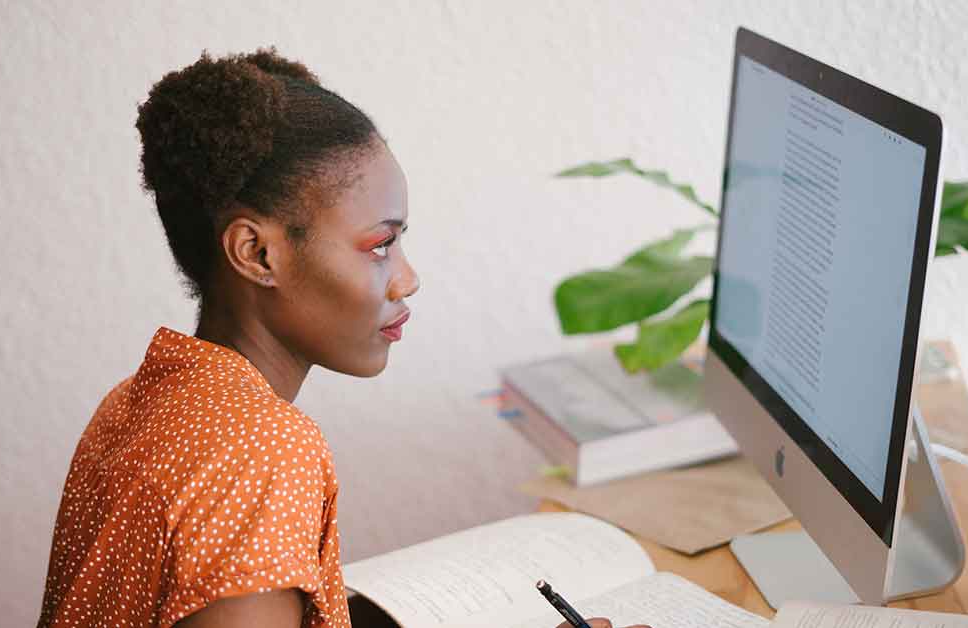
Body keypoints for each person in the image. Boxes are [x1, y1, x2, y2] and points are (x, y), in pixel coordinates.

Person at [37, 47, 649, 628]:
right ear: (258, 253)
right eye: (381, 245)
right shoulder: (264, 453)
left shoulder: (141, 399)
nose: (408, 279)